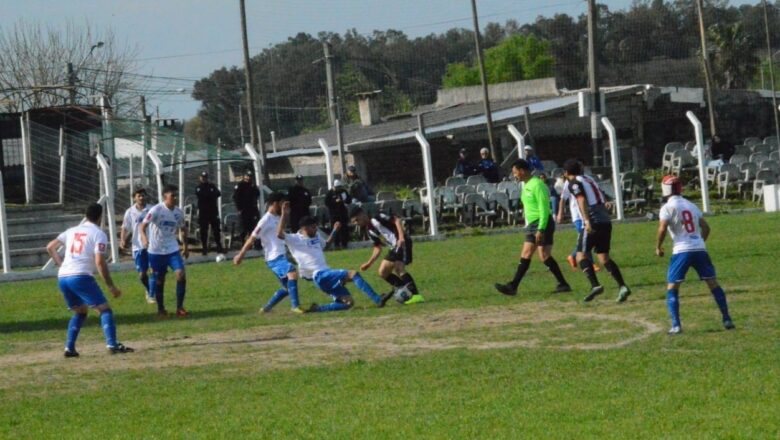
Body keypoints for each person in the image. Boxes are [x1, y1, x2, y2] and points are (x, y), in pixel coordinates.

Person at [45, 203, 134, 356]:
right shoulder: (98, 234)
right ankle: (112, 344)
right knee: (105, 309)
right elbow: (99, 262)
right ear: (100, 217)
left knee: (80, 312)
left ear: (85, 215)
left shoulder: (71, 230)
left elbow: (50, 247)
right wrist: (111, 286)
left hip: (63, 277)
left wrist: (61, 265)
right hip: (80, 276)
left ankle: (69, 348)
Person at [655, 175, 735, 335]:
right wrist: (700, 242)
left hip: (681, 250)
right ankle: (727, 319)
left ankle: (676, 325)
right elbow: (706, 228)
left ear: (666, 189)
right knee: (713, 283)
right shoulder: (691, 205)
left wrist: (658, 246)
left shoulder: (667, 207)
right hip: (699, 249)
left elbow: (662, 227)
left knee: (672, 286)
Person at [276, 203, 385, 312]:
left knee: (348, 303)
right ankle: (377, 299)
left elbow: (326, 245)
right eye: (313, 227)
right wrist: (284, 215)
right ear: (305, 228)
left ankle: (316, 309)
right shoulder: (295, 239)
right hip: (319, 275)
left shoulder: (316, 236)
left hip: (324, 276)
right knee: (353, 274)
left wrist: (334, 230)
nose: (316, 229)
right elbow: (279, 234)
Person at [494, 159, 571, 296]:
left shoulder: (537, 185)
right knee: (544, 256)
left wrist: (541, 228)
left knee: (528, 253)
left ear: (522, 170)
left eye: (515, 172)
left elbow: (544, 208)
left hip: (541, 223)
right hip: (534, 223)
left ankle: (513, 286)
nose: (514, 175)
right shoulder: (527, 185)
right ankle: (563, 284)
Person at [561, 159, 631, 303]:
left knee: (580, 256)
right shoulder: (589, 178)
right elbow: (599, 195)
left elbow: (581, 200)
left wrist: (586, 221)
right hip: (605, 220)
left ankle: (595, 285)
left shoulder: (573, 183)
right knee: (603, 257)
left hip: (593, 220)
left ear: (567, 173)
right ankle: (623, 286)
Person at [233, 192, 305, 314]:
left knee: (287, 288)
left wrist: (284, 215)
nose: (283, 205)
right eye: (282, 203)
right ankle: (295, 306)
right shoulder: (265, 220)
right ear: (275, 203)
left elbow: (280, 232)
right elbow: (252, 238)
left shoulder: (277, 217)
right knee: (292, 272)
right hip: (274, 257)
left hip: (281, 255)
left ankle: (266, 309)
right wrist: (240, 255)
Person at [349, 206, 425, 305]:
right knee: (383, 272)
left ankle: (416, 296)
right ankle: (405, 291)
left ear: (361, 214)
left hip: (402, 242)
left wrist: (401, 237)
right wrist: (369, 263)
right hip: (393, 247)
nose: (356, 223)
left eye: (356, 220)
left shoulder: (377, 217)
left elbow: (396, 220)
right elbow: (378, 247)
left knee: (398, 267)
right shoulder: (369, 231)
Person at [140, 184, 190, 317]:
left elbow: (183, 229)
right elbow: (142, 226)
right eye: (172, 195)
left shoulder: (178, 212)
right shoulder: (156, 210)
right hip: (156, 250)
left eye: (176, 195)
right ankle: (161, 309)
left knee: (180, 274)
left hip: (172, 249)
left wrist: (185, 246)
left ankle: (180, 307)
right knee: (159, 280)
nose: (175, 198)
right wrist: (144, 238)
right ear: (165, 196)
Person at [557, 178, 599, 273]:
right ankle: (590, 263)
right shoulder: (569, 182)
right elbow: (563, 198)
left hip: (588, 214)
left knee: (587, 238)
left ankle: (572, 256)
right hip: (578, 215)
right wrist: (560, 213)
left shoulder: (586, 178)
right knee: (587, 238)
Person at [120, 188, 154, 304]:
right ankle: (148, 289)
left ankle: (152, 294)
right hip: (138, 246)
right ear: (134, 197)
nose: (141, 197)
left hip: (152, 245)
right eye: (139, 195)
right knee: (142, 274)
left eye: (143, 195)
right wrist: (123, 239)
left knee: (153, 270)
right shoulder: (129, 212)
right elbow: (125, 227)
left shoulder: (152, 209)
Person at [195, 171, 225, 257]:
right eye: (203, 177)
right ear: (200, 178)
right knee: (203, 231)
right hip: (203, 212)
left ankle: (219, 247)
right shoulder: (198, 187)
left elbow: (218, 193)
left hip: (213, 211)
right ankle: (204, 248)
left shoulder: (212, 186)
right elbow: (202, 195)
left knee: (216, 230)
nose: (204, 179)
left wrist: (211, 194)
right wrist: (211, 194)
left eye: (205, 177)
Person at [232, 170, 261, 242]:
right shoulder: (240, 185)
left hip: (252, 209)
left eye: (250, 176)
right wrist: (239, 209)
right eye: (247, 176)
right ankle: (243, 242)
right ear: (244, 176)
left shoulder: (252, 185)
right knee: (243, 226)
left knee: (253, 226)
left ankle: (253, 242)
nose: (248, 178)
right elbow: (236, 198)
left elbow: (257, 194)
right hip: (243, 210)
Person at [324, 179, 352, 249]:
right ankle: (336, 245)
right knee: (335, 230)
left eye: (339, 187)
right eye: (337, 187)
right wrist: (335, 201)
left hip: (342, 213)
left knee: (344, 229)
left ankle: (344, 244)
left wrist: (344, 200)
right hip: (334, 215)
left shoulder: (343, 191)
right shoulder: (329, 193)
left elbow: (349, 200)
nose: (338, 189)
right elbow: (327, 203)